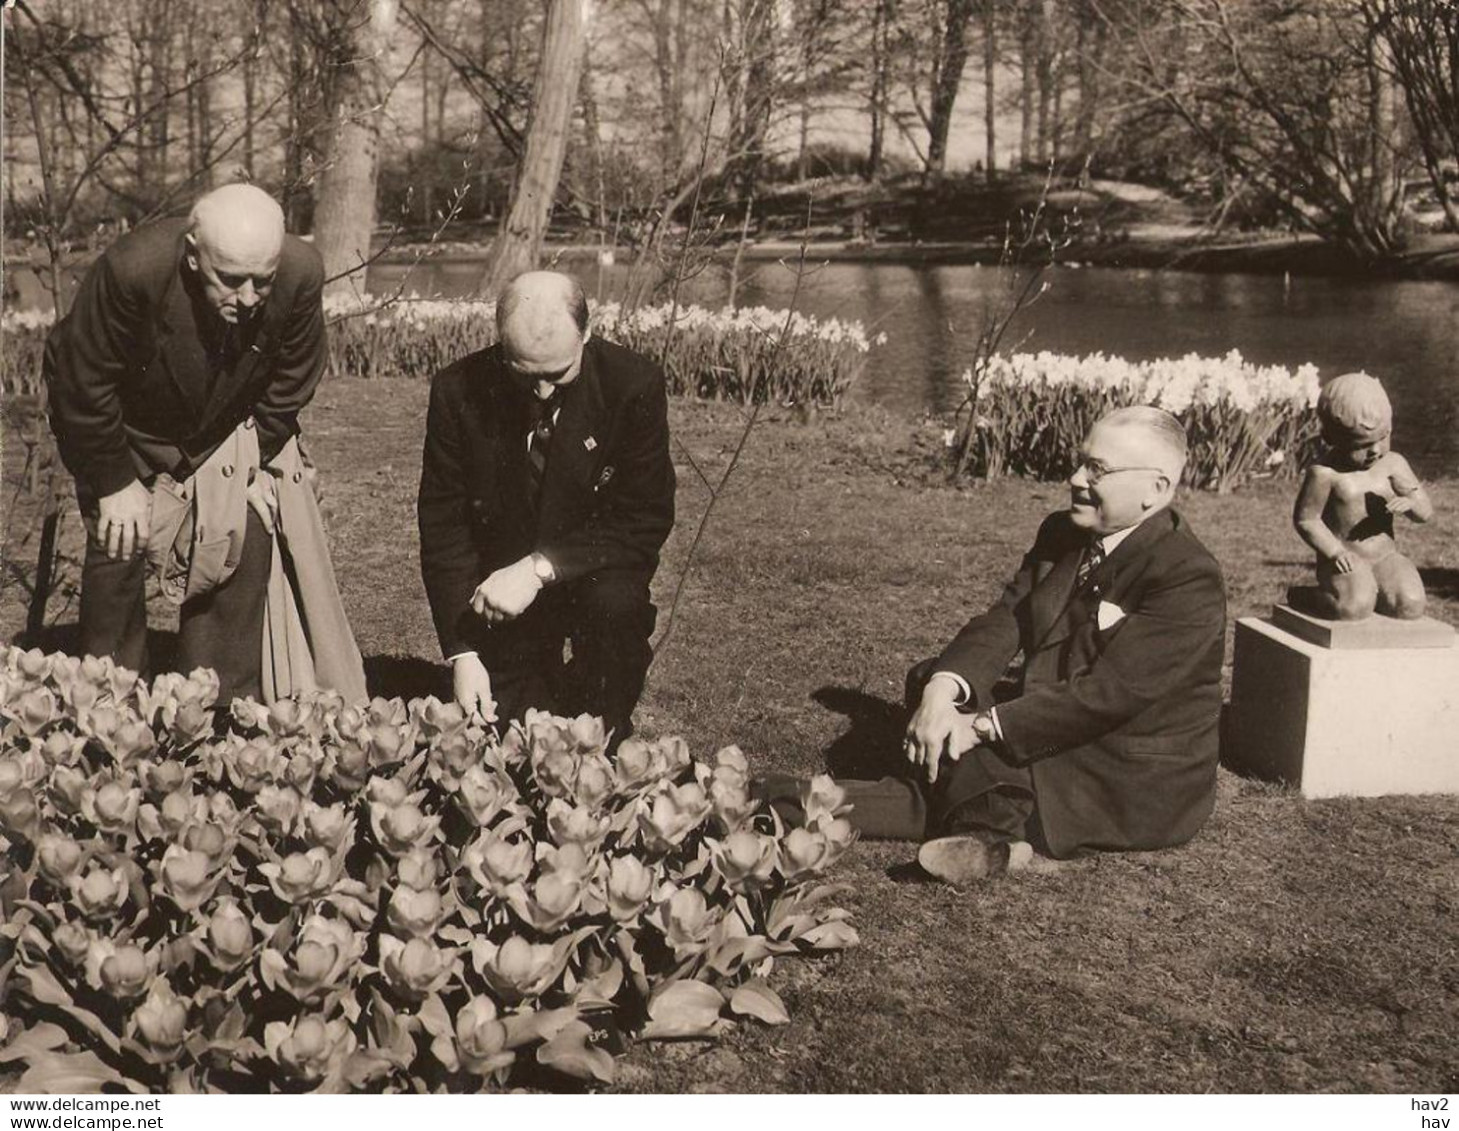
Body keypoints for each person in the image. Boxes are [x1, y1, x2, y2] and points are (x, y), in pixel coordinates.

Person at [769, 406, 1227, 884]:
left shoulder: (1185, 576)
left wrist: (983, 728)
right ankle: (987, 829)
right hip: (1057, 721)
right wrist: (941, 694)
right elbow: (1008, 619)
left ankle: (790, 799)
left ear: (1156, 489)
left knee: (969, 751)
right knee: (934, 679)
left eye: (1098, 470)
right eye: (1080, 461)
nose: (1075, 478)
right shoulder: (1063, 533)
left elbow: (1108, 696)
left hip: (1120, 770)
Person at [44, 183, 341, 702]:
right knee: (119, 541)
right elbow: (84, 383)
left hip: (226, 429)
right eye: (230, 279)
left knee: (242, 532)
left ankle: (218, 704)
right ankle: (108, 704)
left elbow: (292, 380)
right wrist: (115, 482)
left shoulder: (300, 272)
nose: (247, 299)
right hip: (126, 425)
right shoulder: (132, 270)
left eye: (260, 282)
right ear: (192, 256)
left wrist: (243, 462)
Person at [417, 270, 675, 743]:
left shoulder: (631, 386)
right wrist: (463, 654)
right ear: (499, 343)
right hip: (500, 595)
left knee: (610, 636)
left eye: (557, 375)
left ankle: (605, 722)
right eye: (523, 372)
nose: (541, 393)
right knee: (507, 741)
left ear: (587, 334)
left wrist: (538, 569)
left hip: (593, 574)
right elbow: (444, 528)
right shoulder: (457, 391)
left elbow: (642, 519)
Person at [1291, 371, 1433, 620]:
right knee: (1353, 608)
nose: (1375, 451)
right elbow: (1306, 520)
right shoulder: (1325, 473)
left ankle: (1373, 587)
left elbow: (1425, 512)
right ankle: (1307, 596)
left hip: (1385, 557)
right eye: (1361, 445)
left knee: (1409, 605)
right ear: (1331, 438)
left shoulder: (1394, 464)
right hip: (1344, 559)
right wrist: (1335, 552)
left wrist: (1410, 503)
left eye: (1383, 437)